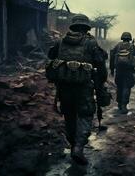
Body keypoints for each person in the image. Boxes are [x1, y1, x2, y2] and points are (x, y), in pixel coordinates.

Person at [46, 14, 108, 165]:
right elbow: (100, 64)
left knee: (69, 115)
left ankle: (73, 144)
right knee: (85, 115)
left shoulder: (61, 41)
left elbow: (50, 55)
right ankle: (78, 148)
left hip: (64, 87)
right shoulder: (90, 42)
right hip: (84, 88)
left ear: (72, 26)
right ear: (87, 27)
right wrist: (101, 83)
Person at [110, 32, 135, 114]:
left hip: (119, 71)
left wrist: (112, 69)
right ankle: (124, 105)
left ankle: (119, 103)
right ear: (130, 38)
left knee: (119, 87)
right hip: (129, 71)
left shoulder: (118, 46)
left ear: (122, 38)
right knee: (126, 87)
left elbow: (112, 56)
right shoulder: (133, 47)